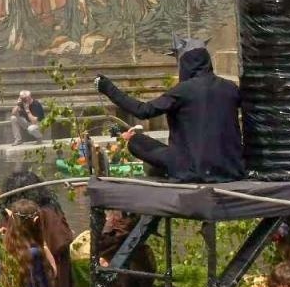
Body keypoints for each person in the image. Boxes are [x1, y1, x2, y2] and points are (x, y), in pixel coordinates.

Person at [97, 38, 245, 182]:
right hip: (230, 169)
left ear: (186, 63)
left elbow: (143, 110)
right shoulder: (230, 87)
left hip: (192, 170)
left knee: (136, 141)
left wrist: (108, 88)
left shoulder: (183, 91)